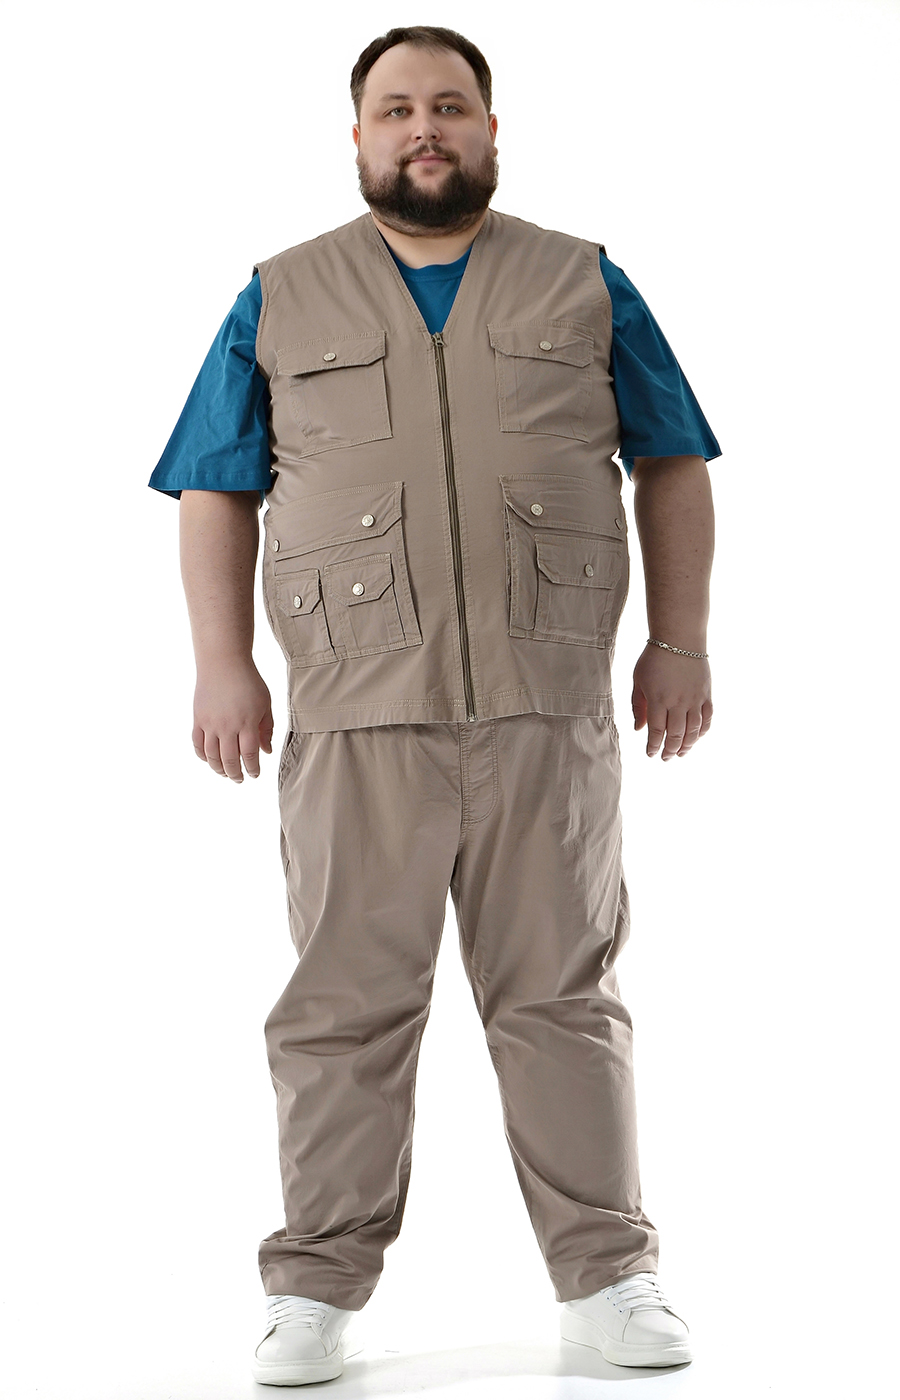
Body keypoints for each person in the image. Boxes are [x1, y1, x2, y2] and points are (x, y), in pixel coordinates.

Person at [150, 25, 720, 1387]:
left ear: (491, 129)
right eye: (397, 108)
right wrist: (222, 664)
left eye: (450, 106)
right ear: (357, 136)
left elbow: (674, 461)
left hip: (547, 712)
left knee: (564, 1001)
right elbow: (217, 485)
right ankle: (316, 1292)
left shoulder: (584, 279)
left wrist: (682, 642)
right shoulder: (280, 294)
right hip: (356, 719)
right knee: (341, 1010)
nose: (425, 127)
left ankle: (609, 1279)